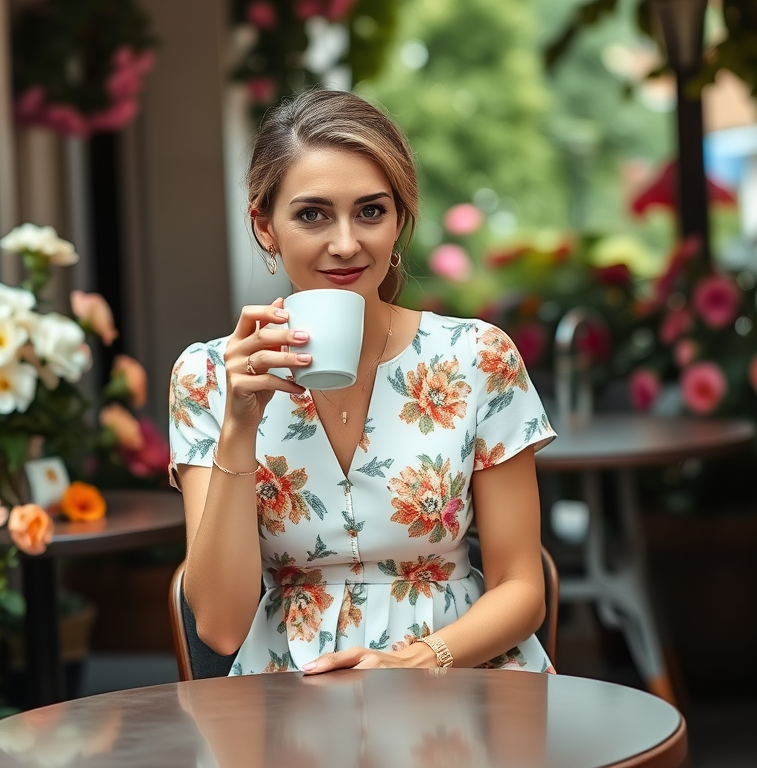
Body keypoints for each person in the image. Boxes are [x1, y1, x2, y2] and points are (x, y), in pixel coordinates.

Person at [169, 89, 556, 676]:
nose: (346, 243)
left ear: (400, 220)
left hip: (463, 678)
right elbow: (220, 629)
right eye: (311, 214)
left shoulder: (476, 356)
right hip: (289, 703)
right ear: (265, 226)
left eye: (371, 211)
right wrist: (238, 425)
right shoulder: (207, 377)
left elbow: (522, 586)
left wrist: (420, 661)